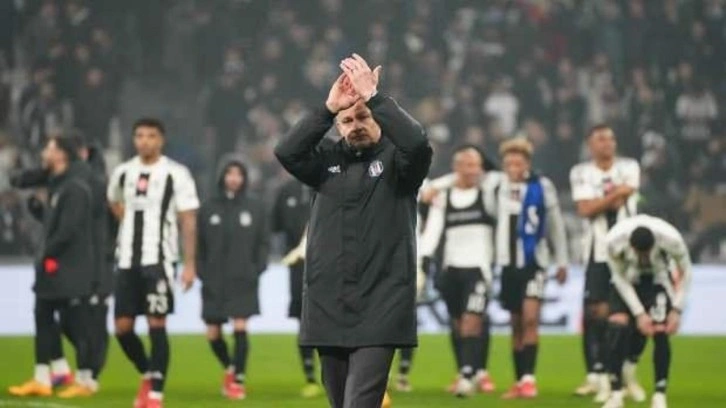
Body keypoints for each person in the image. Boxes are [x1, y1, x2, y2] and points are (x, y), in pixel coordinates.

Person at [274, 53, 432, 408]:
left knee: (359, 402)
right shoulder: (324, 162)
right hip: (328, 302)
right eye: (346, 120)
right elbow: (286, 151)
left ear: (378, 119)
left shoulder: (400, 162)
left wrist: (375, 97)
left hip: (382, 303)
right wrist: (328, 109)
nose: (355, 125)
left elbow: (418, 143)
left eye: (363, 116)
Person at [9, 131, 112, 396]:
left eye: (49, 148)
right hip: (58, 262)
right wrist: (41, 213)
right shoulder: (61, 183)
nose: (44, 152)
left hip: (74, 264)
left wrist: (46, 253)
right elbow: (59, 222)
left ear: (61, 154)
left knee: (76, 321)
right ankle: (45, 376)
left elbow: (70, 229)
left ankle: (86, 378)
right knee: (43, 313)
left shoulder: (77, 186)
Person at [107, 118, 199, 408]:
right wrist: (129, 225)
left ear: (161, 140)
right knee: (122, 328)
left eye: (150, 135)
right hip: (126, 261)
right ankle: (147, 372)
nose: (144, 141)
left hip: (159, 261)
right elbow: (114, 201)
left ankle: (156, 393)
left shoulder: (176, 173)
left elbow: (188, 220)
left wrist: (189, 264)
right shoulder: (123, 172)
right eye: (139, 135)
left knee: (156, 323)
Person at [570, 124, 646, 402]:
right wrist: (616, 194)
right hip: (598, 253)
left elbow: (606, 200)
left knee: (635, 314)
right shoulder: (581, 172)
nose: (607, 143)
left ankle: (627, 372)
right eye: (601, 139)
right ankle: (603, 376)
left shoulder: (629, 166)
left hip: (629, 253)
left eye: (611, 138)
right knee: (599, 315)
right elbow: (585, 209)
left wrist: (600, 200)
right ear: (590, 145)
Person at [418, 146, 498, 398]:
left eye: (477, 165)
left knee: (472, 320)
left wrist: (441, 183)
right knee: (457, 323)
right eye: (468, 165)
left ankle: (469, 374)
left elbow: (498, 177)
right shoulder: (445, 197)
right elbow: (432, 231)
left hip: (479, 270)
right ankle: (465, 371)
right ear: (457, 167)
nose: (474, 170)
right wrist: (424, 258)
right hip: (451, 269)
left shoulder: (487, 195)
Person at [493, 138, 568, 400]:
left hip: (535, 262)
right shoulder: (497, 186)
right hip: (507, 265)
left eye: (518, 163)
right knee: (515, 324)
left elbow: (555, 225)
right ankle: (519, 380)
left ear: (527, 164)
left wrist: (562, 260)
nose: (514, 167)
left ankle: (529, 379)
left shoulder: (541, 186)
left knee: (530, 318)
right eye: (509, 163)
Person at [601, 215, 692, 408]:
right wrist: (639, 313)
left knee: (660, 331)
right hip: (626, 280)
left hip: (657, 281)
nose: (643, 258)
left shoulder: (672, 239)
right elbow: (618, 278)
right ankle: (615, 393)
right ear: (631, 246)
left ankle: (659, 394)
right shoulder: (613, 242)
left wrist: (677, 309)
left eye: (647, 252)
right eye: (639, 253)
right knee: (617, 326)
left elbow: (686, 272)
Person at [197, 159, 270, 400]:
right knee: (212, 334)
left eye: (238, 174)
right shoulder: (208, 207)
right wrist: (202, 271)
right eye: (229, 173)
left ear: (244, 178)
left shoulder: (255, 207)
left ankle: (238, 379)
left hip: (243, 279)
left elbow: (263, 242)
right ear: (222, 177)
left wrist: (256, 268)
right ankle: (230, 367)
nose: (234, 178)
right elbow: (199, 244)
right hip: (214, 280)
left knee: (240, 327)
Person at [273, 178, 324, 398]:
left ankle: (336, 374)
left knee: (330, 320)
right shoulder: (286, 190)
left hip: (329, 263)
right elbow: (275, 224)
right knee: (303, 320)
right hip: (298, 266)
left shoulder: (327, 183)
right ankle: (310, 377)